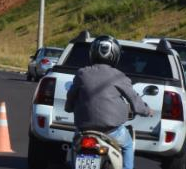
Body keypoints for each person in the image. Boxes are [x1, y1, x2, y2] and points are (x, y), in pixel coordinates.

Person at [65, 35, 153, 169]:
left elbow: (71, 96)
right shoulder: (119, 76)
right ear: (115, 55)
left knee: (75, 143)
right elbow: (135, 101)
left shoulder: (82, 73)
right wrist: (147, 111)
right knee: (128, 144)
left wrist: (69, 107)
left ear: (92, 53)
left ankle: (73, 164)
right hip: (111, 131)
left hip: (84, 130)